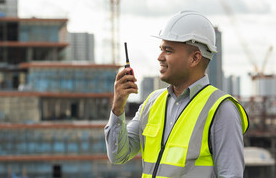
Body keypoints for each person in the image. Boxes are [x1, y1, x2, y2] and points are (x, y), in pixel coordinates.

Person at [105, 10, 249, 178]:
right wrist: (118, 107)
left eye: (168, 50)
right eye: (161, 49)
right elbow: (118, 155)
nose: (159, 57)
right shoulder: (152, 103)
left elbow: (231, 174)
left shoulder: (221, 110)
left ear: (195, 58)